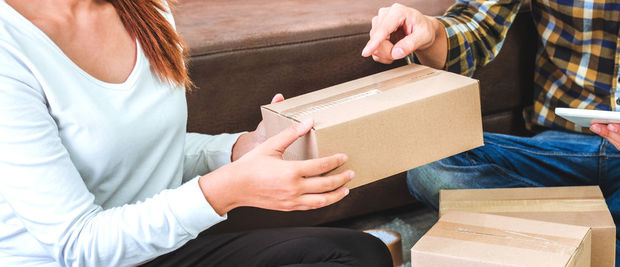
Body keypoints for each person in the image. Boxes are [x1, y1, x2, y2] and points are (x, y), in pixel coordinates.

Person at [362, 0, 620, 266]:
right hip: (552, 156)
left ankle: (539, 240)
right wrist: (429, 30)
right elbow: (474, 26)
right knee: (426, 159)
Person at [0, 0, 392, 266]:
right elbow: (78, 245)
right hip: (73, 259)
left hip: (156, 250)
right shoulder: (10, 47)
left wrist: (239, 151)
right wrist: (227, 190)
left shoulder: (143, 8)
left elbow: (135, 147)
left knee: (356, 254)